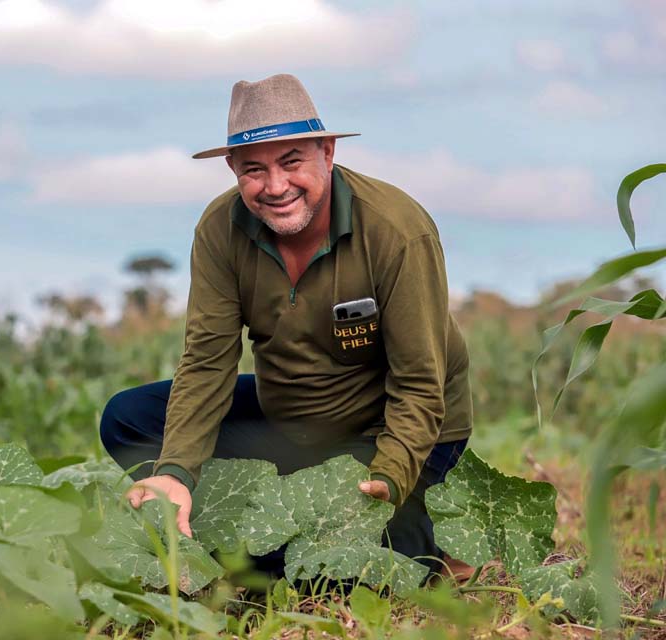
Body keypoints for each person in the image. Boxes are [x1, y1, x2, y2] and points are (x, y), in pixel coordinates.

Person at [100, 73, 473, 577]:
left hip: (389, 427)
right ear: (233, 168)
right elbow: (207, 362)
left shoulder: (396, 230)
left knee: (349, 566)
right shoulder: (220, 229)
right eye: (254, 169)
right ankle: (214, 522)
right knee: (128, 418)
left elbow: (420, 385)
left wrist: (388, 477)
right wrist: (175, 471)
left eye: (291, 162)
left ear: (327, 152)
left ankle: (420, 535)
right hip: (292, 420)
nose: (275, 187)